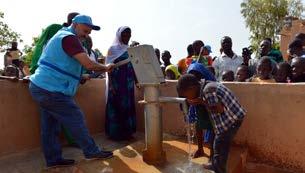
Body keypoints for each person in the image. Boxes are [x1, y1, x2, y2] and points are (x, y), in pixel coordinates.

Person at [29, 14, 114, 168]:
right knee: (75, 117)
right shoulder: (69, 38)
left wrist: (81, 76)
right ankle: (91, 151)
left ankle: (53, 159)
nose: (86, 35)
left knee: (50, 125)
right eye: (84, 31)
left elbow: (63, 66)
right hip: (51, 89)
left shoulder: (63, 36)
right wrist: (106, 68)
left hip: (41, 86)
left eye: (88, 33)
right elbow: (89, 64)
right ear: (74, 24)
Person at [177, 74, 245, 173]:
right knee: (217, 145)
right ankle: (214, 165)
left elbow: (219, 109)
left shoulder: (207, 91)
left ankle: (220, 170)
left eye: (186, 95)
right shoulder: (207, 85)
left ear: (192, 88)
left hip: (232, 120)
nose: (187, 98)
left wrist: (202, 102)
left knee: (221, 148)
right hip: (233, 116)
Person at [105, 26, 136, 141]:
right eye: (124, 34)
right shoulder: (112, 49)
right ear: (119, 35)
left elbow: (135, 65)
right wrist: (111, 85)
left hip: (128, 82)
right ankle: (115, 134)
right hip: (117, 81)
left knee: (128, 106)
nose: (127, 36)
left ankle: (128, 133)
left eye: (129, 34)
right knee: (116, 106)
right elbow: (108, 68)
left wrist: (136, 81)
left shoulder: (130, 49)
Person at [186, 63, 215, 160]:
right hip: (199, 108)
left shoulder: (209, 83)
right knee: (198, 126)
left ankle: (212, 154)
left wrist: (202, 101)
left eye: (196, 75)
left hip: (210, 108)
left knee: (212, 129)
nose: (194, 77)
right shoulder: (190, 84)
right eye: (192, 75)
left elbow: (214, 103)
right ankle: (200, 149)